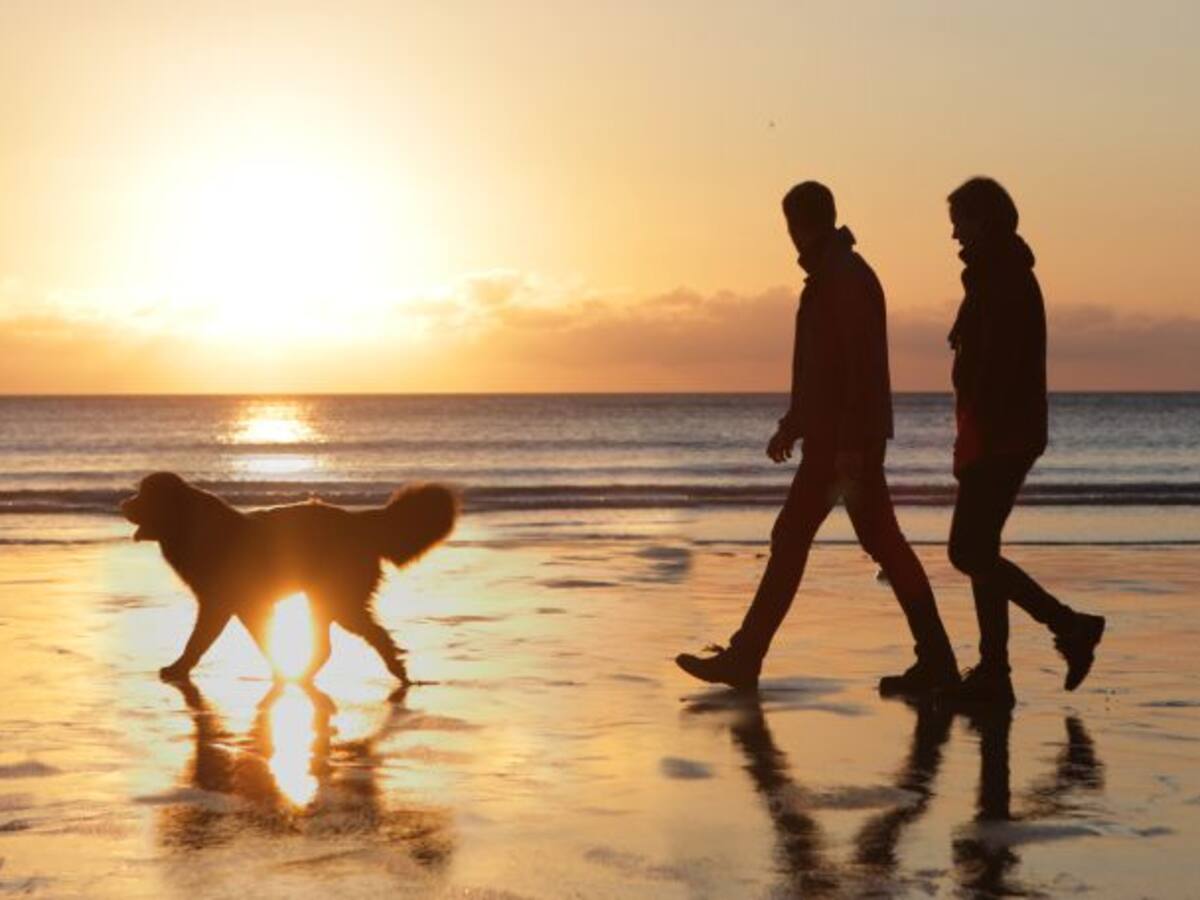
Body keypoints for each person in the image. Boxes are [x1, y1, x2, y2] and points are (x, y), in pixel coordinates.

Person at [676, 181, 959, 695]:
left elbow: (855, 370)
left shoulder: (842, 279)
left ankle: (747, 657)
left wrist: (846, 445)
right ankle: (935, 657)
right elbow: (820, 370)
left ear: (804, 224)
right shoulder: (834, 276)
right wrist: (793, 424)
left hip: (842, 444)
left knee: (798, 539)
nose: (789, 238)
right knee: (875, 543)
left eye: (790, 226)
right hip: (839, 439)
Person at [940, 177, 1105, 707]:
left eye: (959, 223)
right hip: (995, 431)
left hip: (1002, 433)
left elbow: (1000, 365)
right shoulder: (993, 273)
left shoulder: (1003, 276)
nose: (954, 235)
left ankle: (1069, 626)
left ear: (983, 221)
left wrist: (981, 428)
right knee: (980, 550)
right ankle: (995, 672)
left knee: (968, 550)